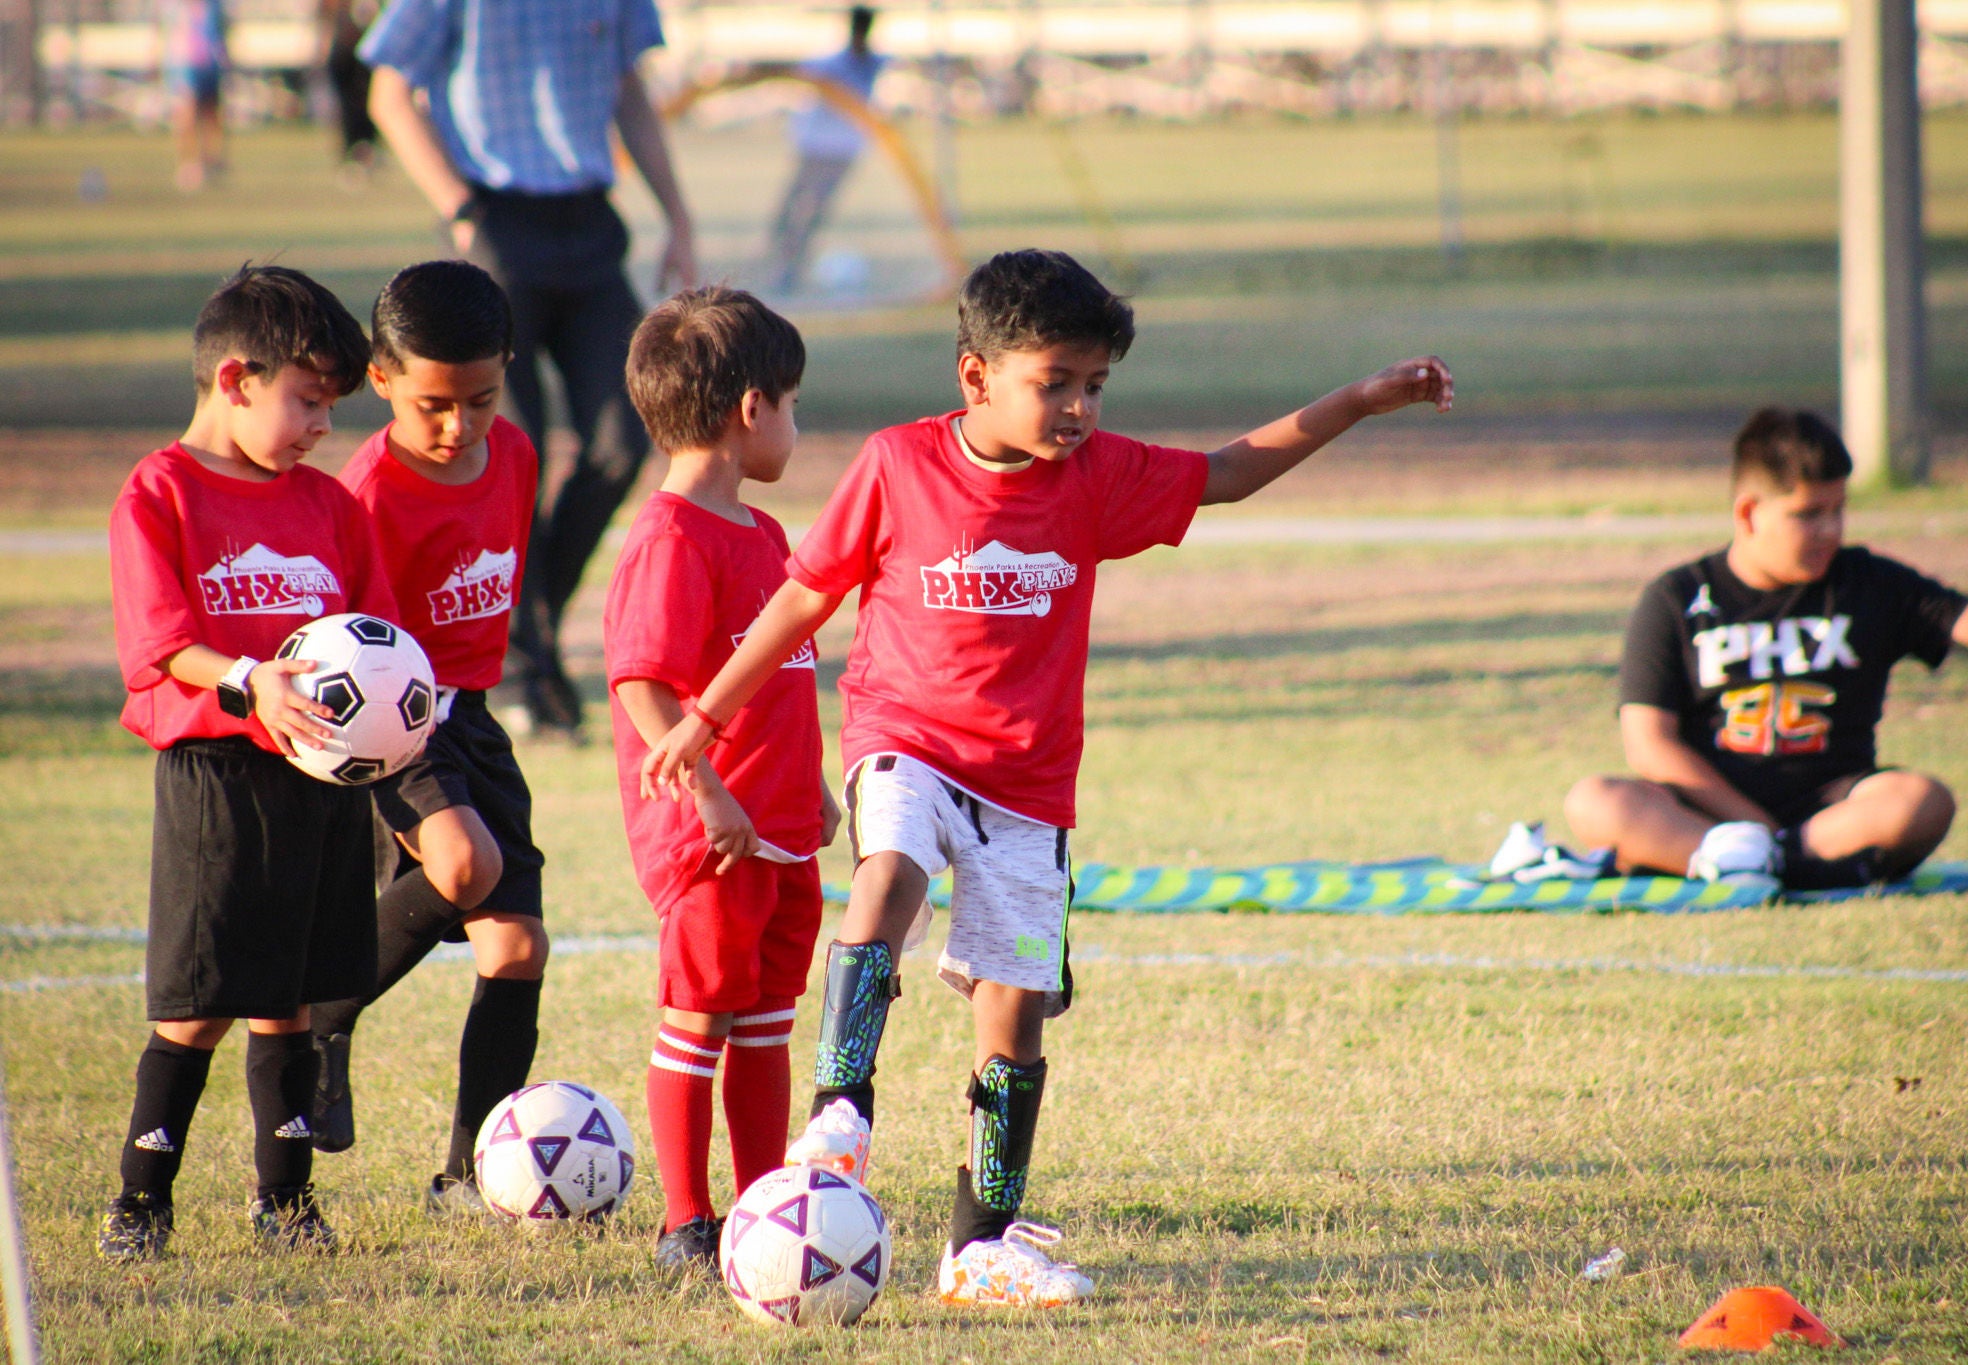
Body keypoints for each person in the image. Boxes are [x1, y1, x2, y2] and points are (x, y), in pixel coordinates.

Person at [642, 249, 1453, 1305]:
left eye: (1094, 385)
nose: (1078, 407)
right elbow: (801, 598)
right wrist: (704, 718)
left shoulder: (1097, 476)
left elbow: (1227, 472)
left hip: (1027, 787)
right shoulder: (895, 465)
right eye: (1054, 382)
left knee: (1013, 1016)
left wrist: (1357, 401)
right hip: (906, 739)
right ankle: (841, 1106)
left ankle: (978, 1248)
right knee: (890, 871)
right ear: (975, 376)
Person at [99, 266, 386, 1260]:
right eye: (307, 401)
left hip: (319, 777)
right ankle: (141, 1201)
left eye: (331, 407)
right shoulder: (160, 492)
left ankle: (286, 1201)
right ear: (235, 379)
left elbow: (375, 633)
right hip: (218, 774)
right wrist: (250, 679)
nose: (322, 427)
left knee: (289, 999)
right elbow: (160, 642)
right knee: (201, 1002)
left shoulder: (330, 506)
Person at [359, 0, 698, 740]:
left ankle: (532, 633)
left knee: (624, 437)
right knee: (511, 455)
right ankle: (520, 668)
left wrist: (677, 213)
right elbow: (388, 91)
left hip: (590, 222)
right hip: (496, 217)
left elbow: (629, 90)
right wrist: (461, 210)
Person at [1561, 407, 1968, 889]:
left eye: (1838, 510)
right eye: (1808, 515)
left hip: (1831, 814)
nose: (1830, 530)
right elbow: (1649, 744)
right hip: (1710, 813)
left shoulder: (1866, 581)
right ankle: (1754, 860)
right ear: (1748, 513)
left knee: (1922, 801)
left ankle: (1747, 866)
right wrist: (1750, 827)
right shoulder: (1676, 597)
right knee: (1594, 802)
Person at [603, 287, 840, 1270]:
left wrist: (812, 782)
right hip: (714, 839)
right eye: (792, 405)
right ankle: (685, 1220)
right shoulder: (670, 540)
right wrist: (707, 794)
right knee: (699, 1017)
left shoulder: (763, 535)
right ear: (751, 409)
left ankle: (759, 1206)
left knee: (765, 1023)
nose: (795, 425)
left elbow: (782, 674)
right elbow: (640, 684)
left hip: (779, 828)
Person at [307, 260, 551, 1211]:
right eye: (433, 406)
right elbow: (343, 648)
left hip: (472, 718)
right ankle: (321, 1009)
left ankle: (467, 1175)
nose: (459, 427)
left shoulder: (518, 455)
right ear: (381, 380)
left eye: (480, 401)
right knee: (461, 863)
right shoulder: (367, 493)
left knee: (517, 948)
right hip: (395, 726)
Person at [768, 5, 885, 294]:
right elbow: (792, 73)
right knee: (787, 211)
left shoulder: (874, 63)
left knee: (811, 213)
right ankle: (776, 261)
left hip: (841, 154)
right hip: (814, 149)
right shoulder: (829, 65)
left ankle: (788, 272)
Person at [162, 0, 228, 193]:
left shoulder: (213, 4)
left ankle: (209, 160)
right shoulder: (175, 6)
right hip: (184, 62)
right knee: (186, 114)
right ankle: (188, 163)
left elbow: (219, 29)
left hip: (209, 61)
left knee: (210, 112)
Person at [316, 0, 379, 179]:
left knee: (366, 100)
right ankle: (352, 148)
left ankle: (365, 146)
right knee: (346, 104)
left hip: (364, 46)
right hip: (343, 46)